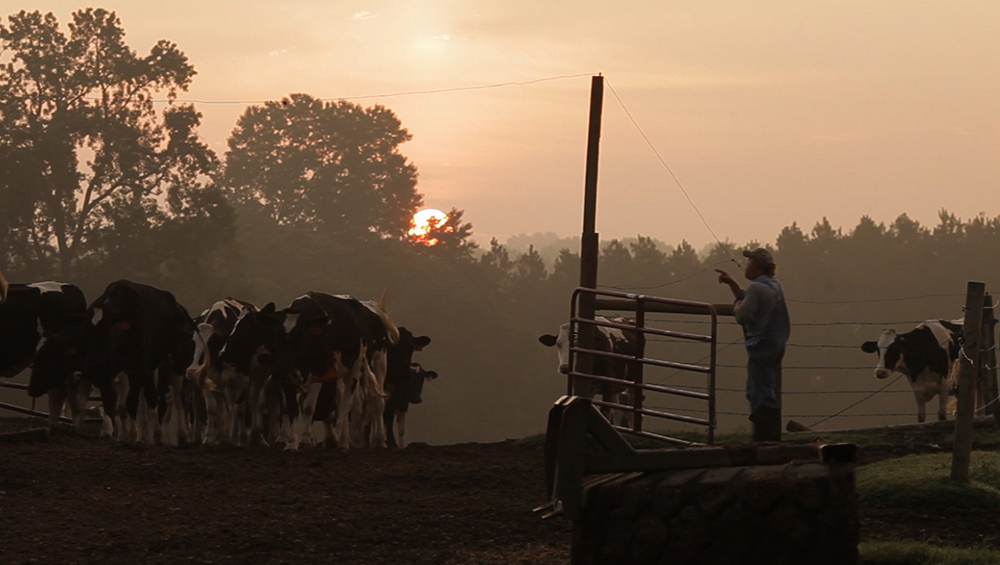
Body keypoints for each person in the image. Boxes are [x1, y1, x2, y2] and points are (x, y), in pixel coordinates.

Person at [716, 248, 790, 442]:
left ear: (756, 265)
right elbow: (748, 297)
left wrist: (736, 307)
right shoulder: (773, 285)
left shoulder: (758, 288)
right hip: (776, 344)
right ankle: (764, 434)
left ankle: (767, 439)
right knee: (754, 390)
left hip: (761, 346)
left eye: (748, 263)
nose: (746, 266)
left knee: (763, 394)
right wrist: (733, 284)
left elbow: (743, 315)